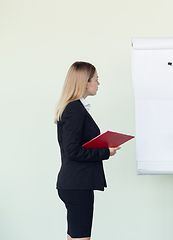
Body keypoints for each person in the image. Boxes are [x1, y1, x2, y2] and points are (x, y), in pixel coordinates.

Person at [54, 61, 120, 240]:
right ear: (85, 83)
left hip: (75, 183)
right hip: (77, 184)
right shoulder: (74, 109)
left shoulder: (74, 108)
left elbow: (76, 146)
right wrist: (106, 152)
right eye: (96, 80)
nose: (98, 84)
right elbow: (72, 151)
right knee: (81, 237)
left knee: (75, 236)